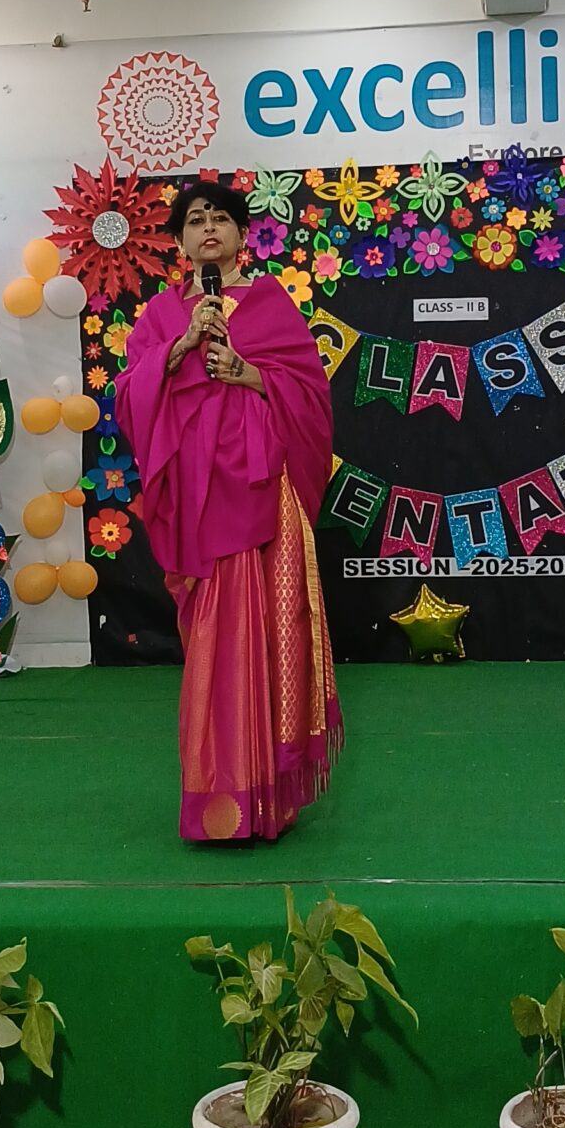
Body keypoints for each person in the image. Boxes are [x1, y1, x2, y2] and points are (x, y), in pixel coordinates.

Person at [115, 177, 342, 842]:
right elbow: (130, 398)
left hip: (264, 495)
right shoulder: (163, 316)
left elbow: (311, 400)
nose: (207, 229)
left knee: (270, 630)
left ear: (243, 234)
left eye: (219, 218)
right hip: (199, 499)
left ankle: (271, 796)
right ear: (180, 241)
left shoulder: (270, 305)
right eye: (194, 220)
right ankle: (218, 797)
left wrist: (251, 375)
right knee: (215, 638)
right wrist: (180, 347)